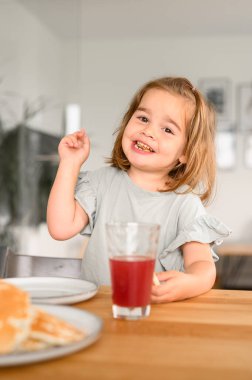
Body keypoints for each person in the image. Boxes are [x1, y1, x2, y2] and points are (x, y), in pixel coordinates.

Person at [47, 76, 231, 303]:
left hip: (155, 317)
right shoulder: (101, 183)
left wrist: (189, 283)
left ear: (185, 152)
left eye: (167, 129)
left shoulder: (184, 204)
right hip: (99, 310)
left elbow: (202, 266)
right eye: (143, 118)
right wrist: (70, 163)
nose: (149, 131)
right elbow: (60, 227)